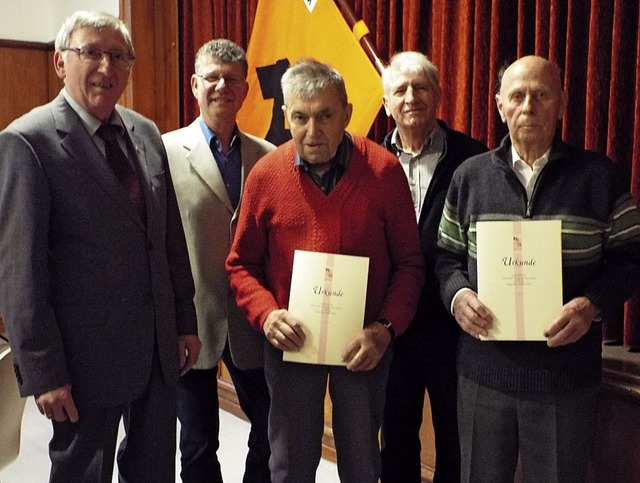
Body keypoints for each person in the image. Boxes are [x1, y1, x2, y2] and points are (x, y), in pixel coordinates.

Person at [0, 11, 201, 483]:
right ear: (59, 62)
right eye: (91, 52)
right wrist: (43, 371)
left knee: (153, 470)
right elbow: (19, 273)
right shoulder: (27, 142)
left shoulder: (145, 132)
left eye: (118, 56)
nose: (106, 67)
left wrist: (185, 320)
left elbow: (168, 238)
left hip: (156, 348)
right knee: (81, 474)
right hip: (81, 360)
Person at [435, 55, 640, 482]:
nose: (528, 106)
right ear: (499, 105)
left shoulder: (601, 177)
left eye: (541, 94)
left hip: (564, 378)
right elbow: (446, 257)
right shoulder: (469, 177)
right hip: (483, 373)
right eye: (517, 95)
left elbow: (630, 260)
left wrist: (591, 304)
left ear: (562, 104)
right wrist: (457, 295)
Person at [226, 59, 425, 483]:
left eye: (325, 116)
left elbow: (410, 265)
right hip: (292, 343)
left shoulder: (384, 172)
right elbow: (240, 264)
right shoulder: (266, 175)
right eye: (300, 117)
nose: (312, 131)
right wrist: (266, 315)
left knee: (361, 464)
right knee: (289, 463)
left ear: (347, 114)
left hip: (363, 345)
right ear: (285, 117)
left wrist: (385, 329)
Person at [162, 39, 274, 483]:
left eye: (231, 79)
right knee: (197, 442)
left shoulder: (268, 156)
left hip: (251, 319)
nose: (221, 86)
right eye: (212, 77)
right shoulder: (164, 150)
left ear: (245, 90)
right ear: (194, 84)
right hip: (192, 321)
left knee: (269, 427)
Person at [379, 51, 487, 483]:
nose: (411, 97)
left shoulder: (475, 159)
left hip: (453, 326)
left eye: (421, 87)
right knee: (397, 437)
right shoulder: (367, 160)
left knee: (455, 438)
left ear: (439, 96)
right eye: (400, 90)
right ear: (386, 103)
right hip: (389, 323)